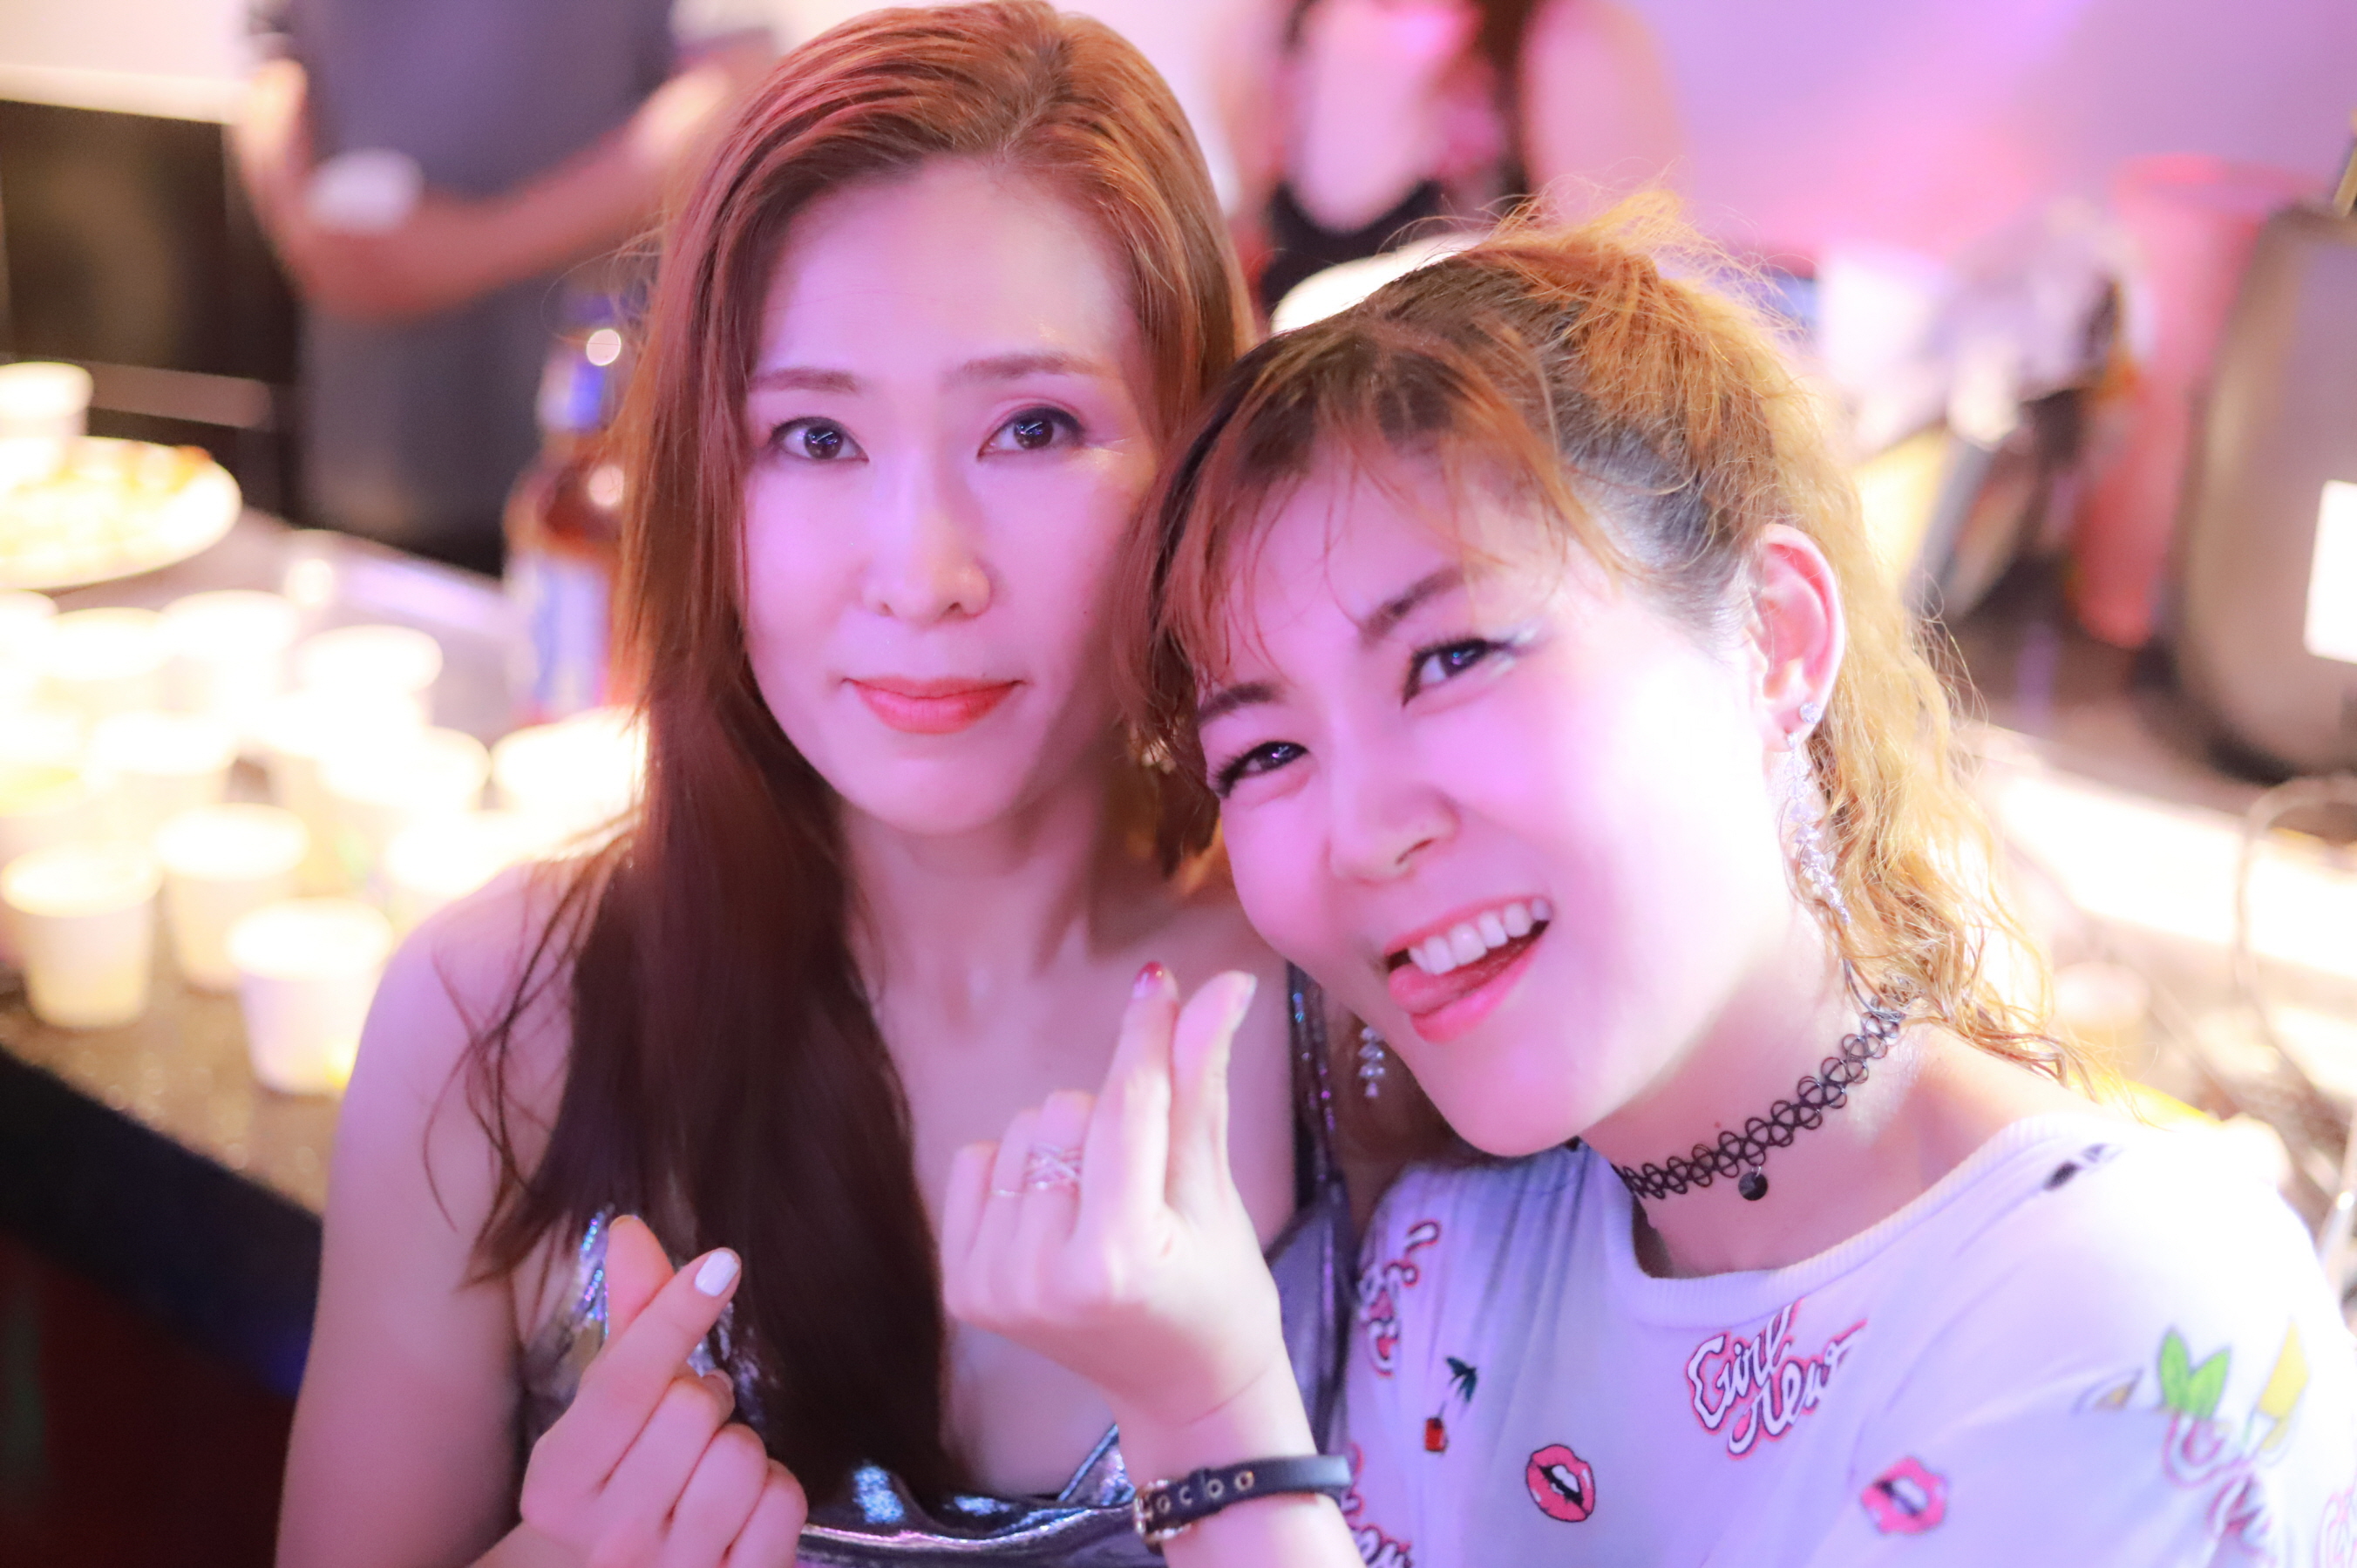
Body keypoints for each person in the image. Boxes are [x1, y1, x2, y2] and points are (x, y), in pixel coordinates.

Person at [943, 207, 2357, 1565]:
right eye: (1262, 751)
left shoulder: (2121, 1320)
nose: (1361, 829)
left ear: (1774, 639)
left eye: (1450, 657)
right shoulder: (1452, 1254)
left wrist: (1216, 1434)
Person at [275, 7, 1362, 1566]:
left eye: (1033, 426)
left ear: (1195, 453)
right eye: (813, 436)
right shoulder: (490, 1026)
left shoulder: (1351, 994)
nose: (920, 572)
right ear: (702, 479)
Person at [232, 0, 769, 573]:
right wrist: (298, 227)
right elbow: (275, 60)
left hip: (593, 456)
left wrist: (479, 248)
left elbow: (730, 90)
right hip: (368, 426)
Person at [1219, 0, 1681, 314]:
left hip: (1489, 405)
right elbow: (1253, 241)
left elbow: (1615, 289)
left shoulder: (1573, 38)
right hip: (1307, 403)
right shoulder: (1270, 34)